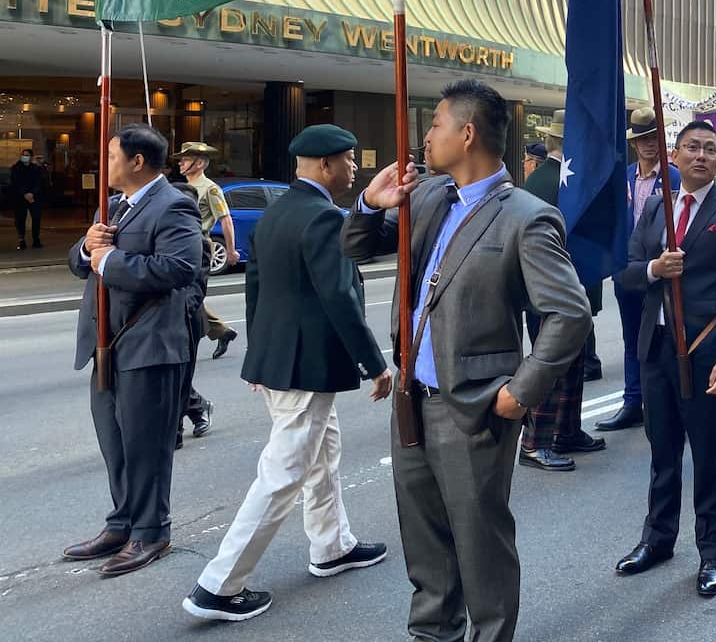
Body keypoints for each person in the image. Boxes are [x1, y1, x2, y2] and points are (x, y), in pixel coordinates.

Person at [342, 80, 591, 642]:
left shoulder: (526, 216)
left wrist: (518, 393)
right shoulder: (429, 195)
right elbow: (358, 247)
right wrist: (369, 204)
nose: (426, 137)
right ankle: (433, 632)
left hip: (475, 406)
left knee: (481, 544)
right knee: (424, 539)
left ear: (468, 133)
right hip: (411, 400)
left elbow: (570, 313)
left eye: (435, 125)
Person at [183, 124, 391, 623]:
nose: (354, 168)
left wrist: (258, 357)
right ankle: (219, 585)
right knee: (284, 473)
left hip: (281, 361)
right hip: (307, 365)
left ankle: (332, 546)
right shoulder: (323, 217)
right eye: (349, 160)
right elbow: (340, 296)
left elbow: (255, 289)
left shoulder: (276, 213)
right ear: (325, 165)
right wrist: (374, 364)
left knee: (322, 455)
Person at [613, 120, 716, 599]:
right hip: (656, 348)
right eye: (692, 147)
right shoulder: (657, 207)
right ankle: (657, 539)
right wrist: (655, 268)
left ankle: (712, 551)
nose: (701, 155)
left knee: (708, 453)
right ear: (674, 156)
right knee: (662, 451)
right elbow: (627, 273)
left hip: (703, 351)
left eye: (710, 149)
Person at [62, 124, 202, 577]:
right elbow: (80, 260)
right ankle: (122, 522)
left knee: (146, 445)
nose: (104, 164)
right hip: (106, 344)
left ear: (137, 161)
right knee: (115, 442)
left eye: (111, 156)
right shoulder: (114, 205)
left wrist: (111, 261)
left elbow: (181, 268)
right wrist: (88, 250)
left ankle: (151, 531)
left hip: (148, 344)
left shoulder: (173, 204)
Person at [518, 110, 606, 471]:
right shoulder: (557, 181)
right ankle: (534, 442)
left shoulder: (545, 179)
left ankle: (566, 430)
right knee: (551, 365)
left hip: (559, 290)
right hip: (553, 292)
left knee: (572, 365)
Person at [596, 107, 681, 432]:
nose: (649, 145)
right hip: (629, 269)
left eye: (654, 138)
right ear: (633, 144)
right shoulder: (624, 176)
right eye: (643, 139)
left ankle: (670, 403)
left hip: (662, 269)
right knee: (632, 338)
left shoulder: (674, 177)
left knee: (666, 338)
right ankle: (633, 401)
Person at [174, 142, 239, 360]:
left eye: (185, 159)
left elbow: (226, 220)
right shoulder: (182, 187)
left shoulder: (210, 189)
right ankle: (221, 331)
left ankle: (187, 344)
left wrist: (231, 251)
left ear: (200, 163)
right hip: (180, 245)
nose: (181, 163)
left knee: (187, 296)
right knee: (184, 295)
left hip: (199, 245)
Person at [169, 181, 213, 451]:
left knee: (180, 378)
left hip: (185, 321)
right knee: (172, 378)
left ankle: (174, 432)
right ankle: (198, 407)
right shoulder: (165, 233)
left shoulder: (199, 241)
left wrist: (175, 311)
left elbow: (197, 288)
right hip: (162, 320)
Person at [11, 147, 47, 250]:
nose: (24, 157)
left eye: (27, 155)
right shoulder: (16, 168)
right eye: (23, 155)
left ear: (31, 157)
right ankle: (21, 240)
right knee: (20, 219)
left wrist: (32, 193)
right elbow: (15, 182)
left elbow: (39, 182)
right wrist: (25, 194)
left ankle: (36, 239)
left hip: (34, 197)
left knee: (36, 218)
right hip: (20, 197)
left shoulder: (36, 169)